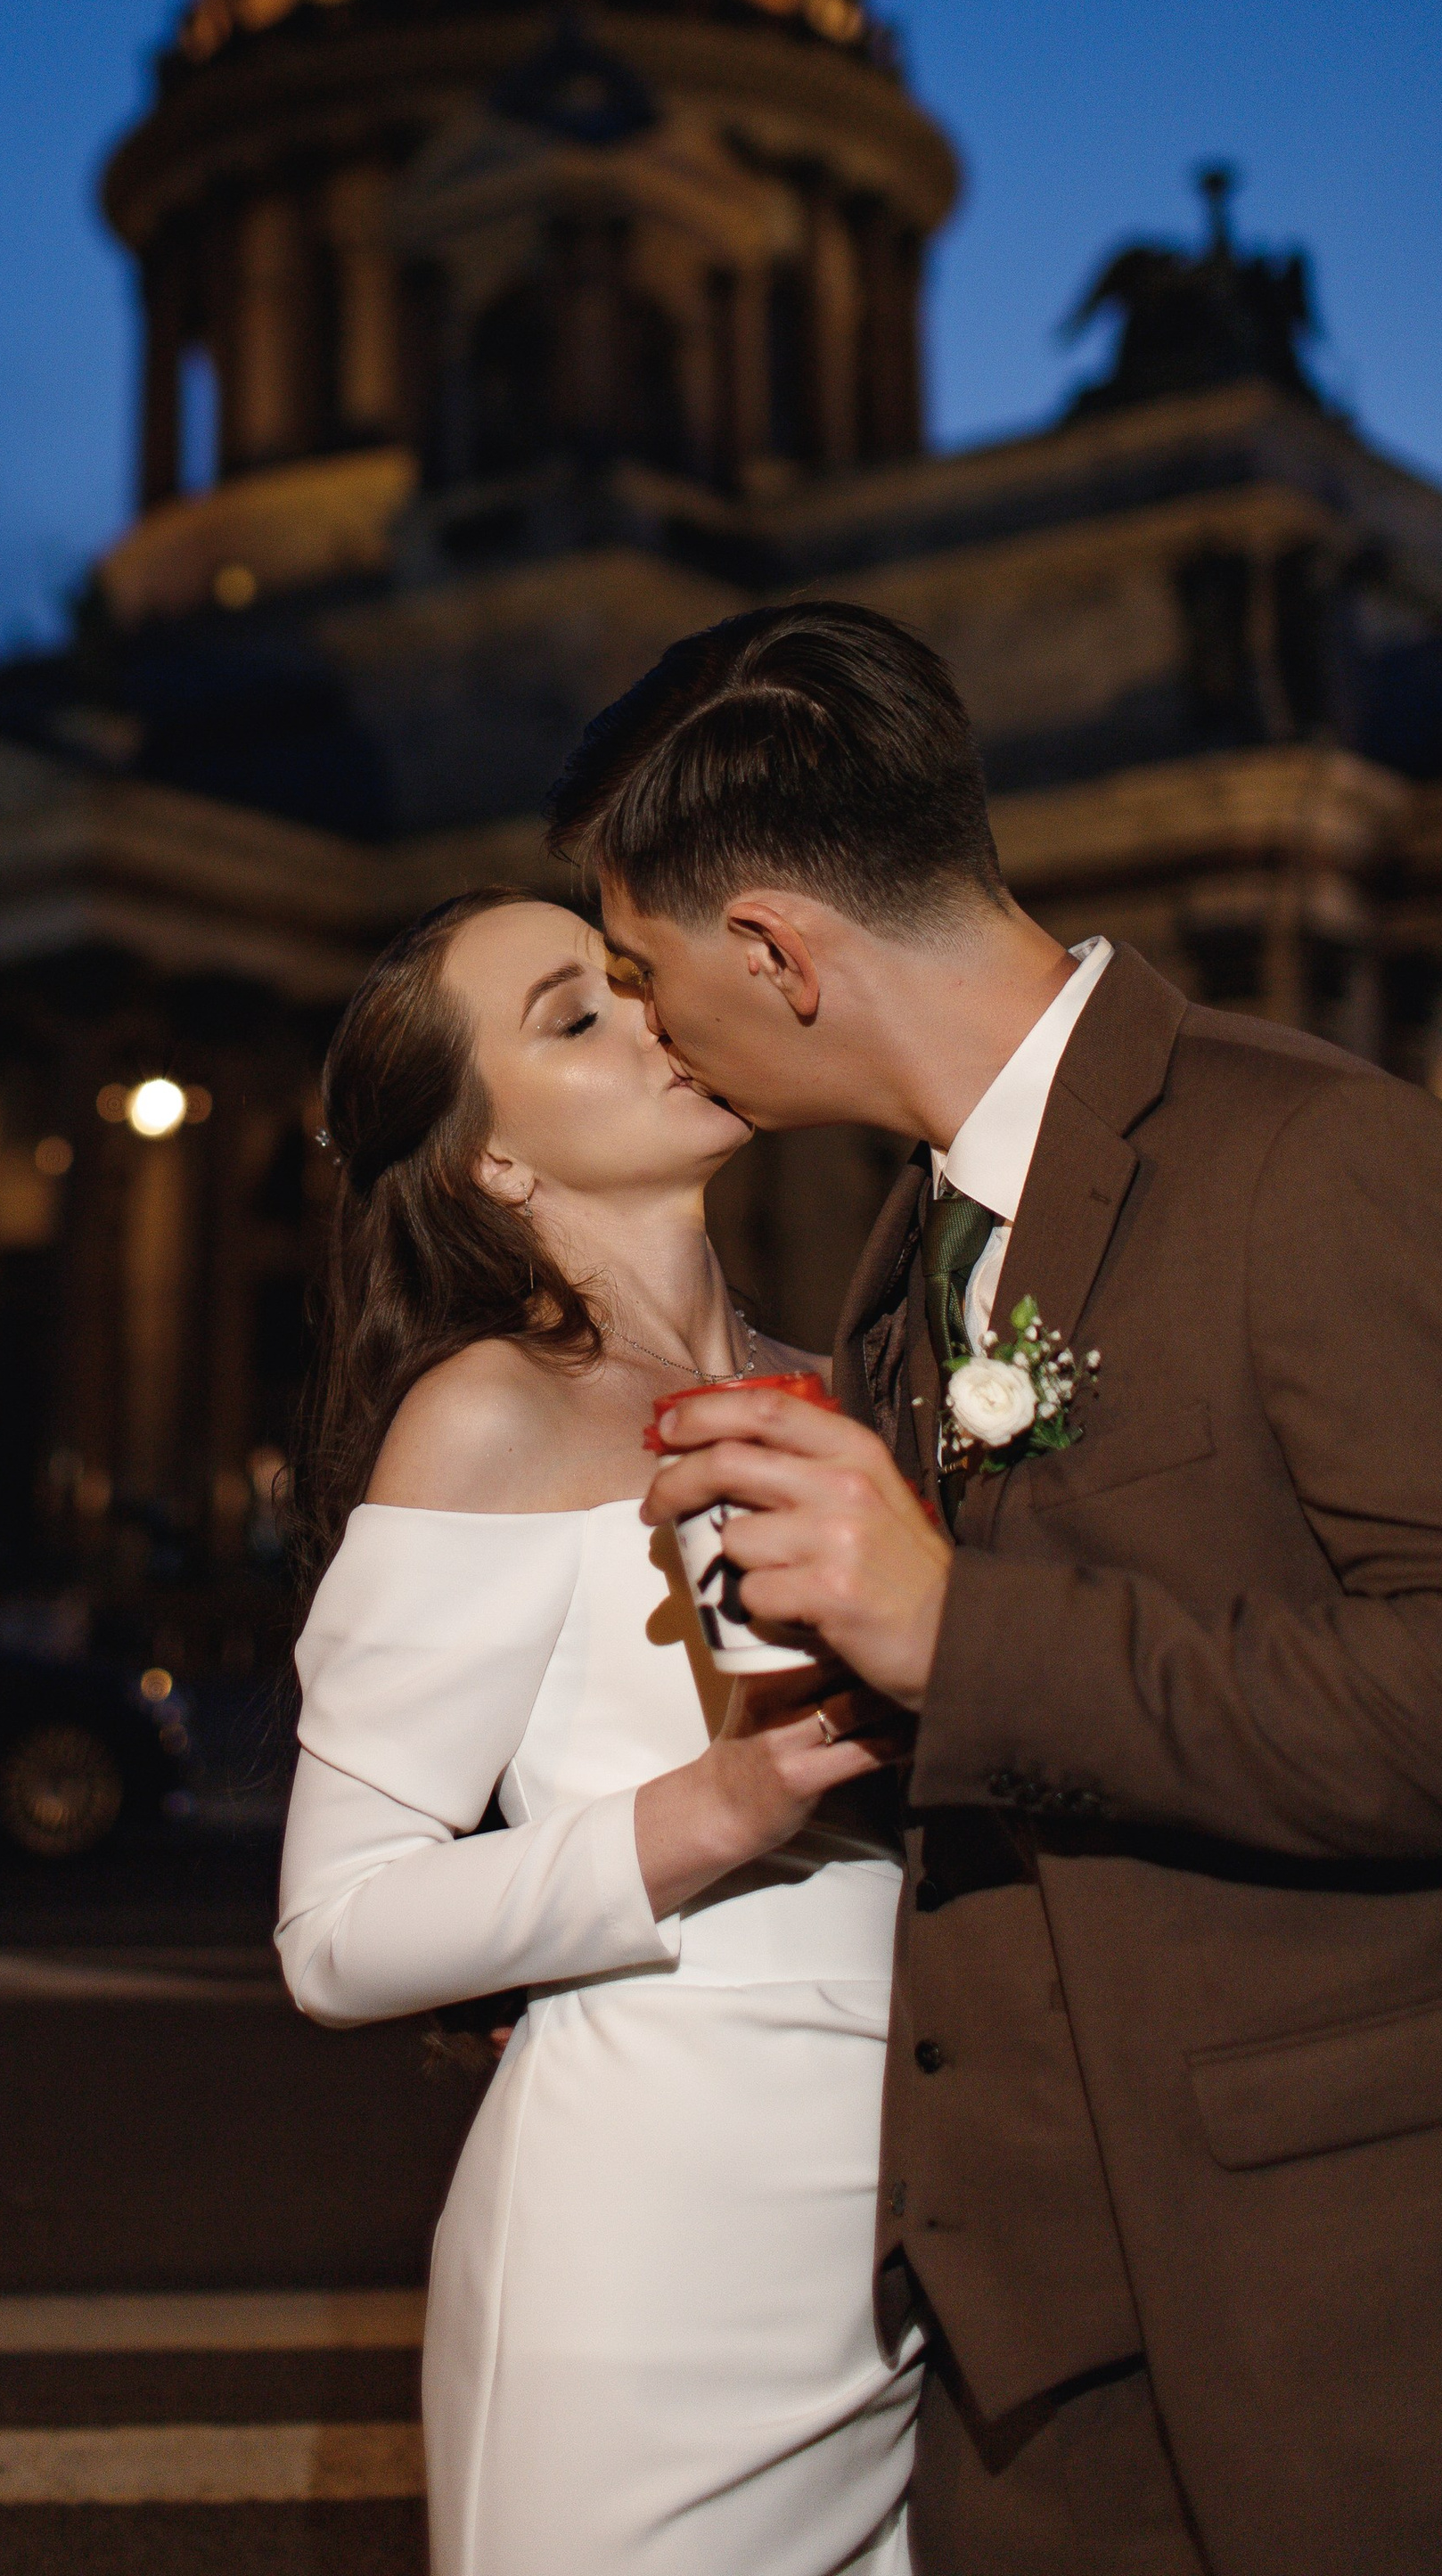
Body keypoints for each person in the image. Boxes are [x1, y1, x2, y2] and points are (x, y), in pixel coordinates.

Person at [547, 598, 1442, 2576]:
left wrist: (956, 1631)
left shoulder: (1316, 1164)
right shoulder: (907, 1249)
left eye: (643, 975)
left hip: (1311, 2329)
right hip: (1024, 2336)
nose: (644, 1030)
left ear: (774, 955)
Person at [277, 886, 922, 2576]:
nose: (650, 1018)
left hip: (916, 2230)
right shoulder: (490, 1410)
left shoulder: (843, 1394)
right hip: (648, 2242)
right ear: (493, 1159)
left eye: (631, 983)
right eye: (575, 1016)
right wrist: (710, 1807)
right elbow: (336, 1934)